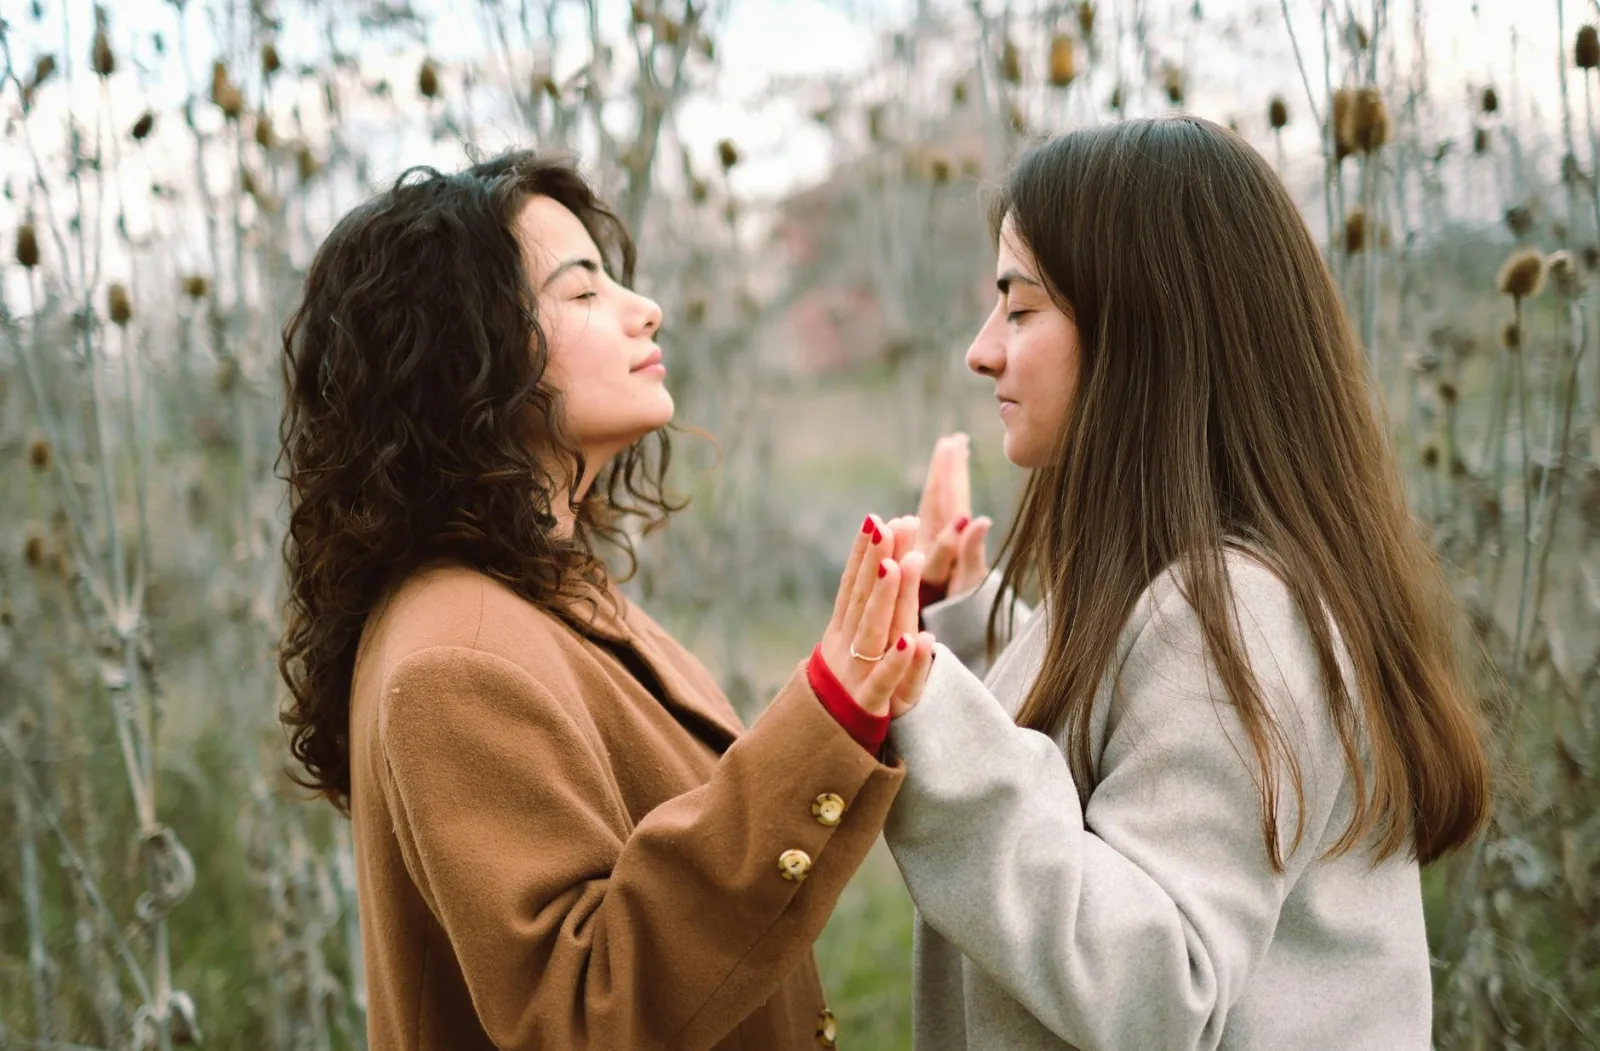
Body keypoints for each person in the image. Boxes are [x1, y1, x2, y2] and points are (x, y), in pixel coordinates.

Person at [274, 150, 936, 1051]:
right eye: (583, 292)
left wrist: (893, 643)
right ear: (467, 354)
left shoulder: (547, 593)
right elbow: (581, 1009)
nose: (644, 307)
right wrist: (830, 710)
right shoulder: (455, 653)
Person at [886, 117, 1493, 1051]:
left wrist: (921, 700)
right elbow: (1101, 773)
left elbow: (1157, 986)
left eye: (1019, 307)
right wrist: (961, 641)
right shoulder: (1181, 589)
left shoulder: (1239, 616)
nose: (983, 350)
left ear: (1143, 331)